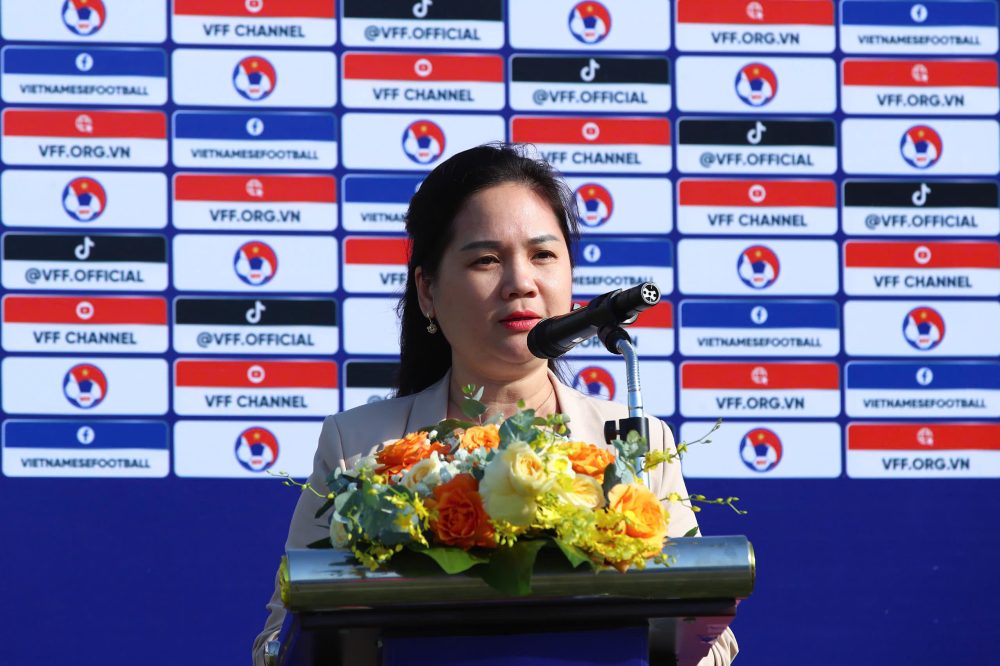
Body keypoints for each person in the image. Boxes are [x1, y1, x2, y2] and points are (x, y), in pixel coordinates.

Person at [252, 144, 738, 665]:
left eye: (543, 255)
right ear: (427, 292)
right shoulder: (361, 448)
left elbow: (709, 636)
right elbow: (278, 643)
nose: (520, 283)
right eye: (486, 259)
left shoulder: (635, 440)